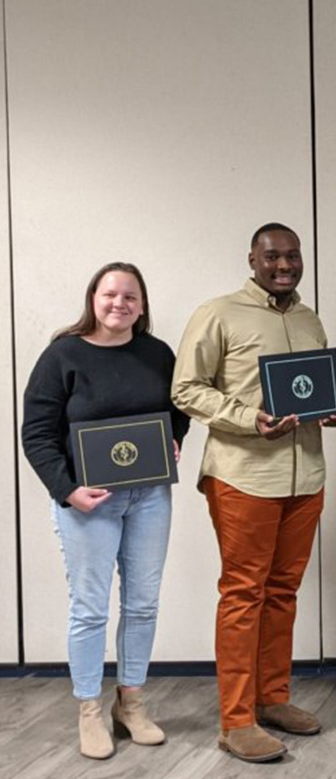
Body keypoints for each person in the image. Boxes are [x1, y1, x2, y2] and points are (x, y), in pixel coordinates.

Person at [172, 223, 336, 762]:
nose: (284, 265)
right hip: (243, 477)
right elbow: (185, 388)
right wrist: (250, 418)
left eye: (293, 256)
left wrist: (331, 408)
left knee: (283, 593)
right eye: (272, 256)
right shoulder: (218, 313)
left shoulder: (307, 317)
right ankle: (236, 719)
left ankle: (273, 699)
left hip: (306, 478)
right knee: (244, 595)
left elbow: (311, 389)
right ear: (251, 258)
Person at [21, 262, 189, 759]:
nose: (120, 303)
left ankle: (131, 703)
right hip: (87, 503)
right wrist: (67, 490)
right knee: (90, 610)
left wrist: (174, 441)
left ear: (142, 304)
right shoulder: (62, 355)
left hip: (150, 496)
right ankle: (90, 710)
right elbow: (37, 434)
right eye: (110, 294)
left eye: (130, 296)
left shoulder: (157, 353)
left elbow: (177, 410)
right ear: (93, 298)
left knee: (142, 605)